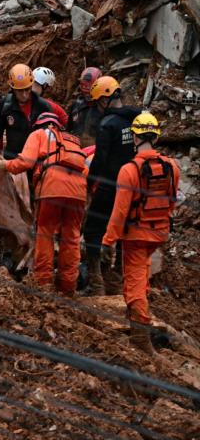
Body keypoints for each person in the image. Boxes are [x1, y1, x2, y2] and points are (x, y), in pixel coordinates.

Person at [100, 112, 179, 354]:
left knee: (133, 284)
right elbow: (172, 202)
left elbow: (120, 211)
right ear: (155, 138)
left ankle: (140, 337)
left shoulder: (129, 170)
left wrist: (108, 241)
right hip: (159, 233)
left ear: (134, 138)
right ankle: (135, 316)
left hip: (135, 236)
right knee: (141, 276)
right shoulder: (172, 167)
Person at [0, 112, 87, 295]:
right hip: (79, 192)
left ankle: (44, 284)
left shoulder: (39, 134)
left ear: (38, 125)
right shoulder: (73, 141)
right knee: (71, 237)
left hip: (52, 188)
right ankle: (68, 287)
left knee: (45, 234)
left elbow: (25, 162)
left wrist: (5, 165)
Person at [82, 76, 143, 296]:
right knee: (125, 232)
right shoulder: (137, 119)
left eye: (99, 102)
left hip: (110, 186)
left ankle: (97, 284)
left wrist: (89, 183)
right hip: (134, 186)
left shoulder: (107, 124)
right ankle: (118, 282)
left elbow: (100, 159)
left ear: (105, 99)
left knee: (93, 230)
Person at [0, 64, 57, 159]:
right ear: (13, 89)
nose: (24, 95)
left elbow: (50, 139)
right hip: (12, 159)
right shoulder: (5, 105)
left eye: (27, 89)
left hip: (35, 160)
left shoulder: (43, 107)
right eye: (20, 91)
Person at [67, 67, 104, 148]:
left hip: (94, 153)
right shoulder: (76, 105)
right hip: (75, 150)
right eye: (85, 92)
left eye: (89, 92)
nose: (87, 95)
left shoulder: (104, 108)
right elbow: (69, 129)